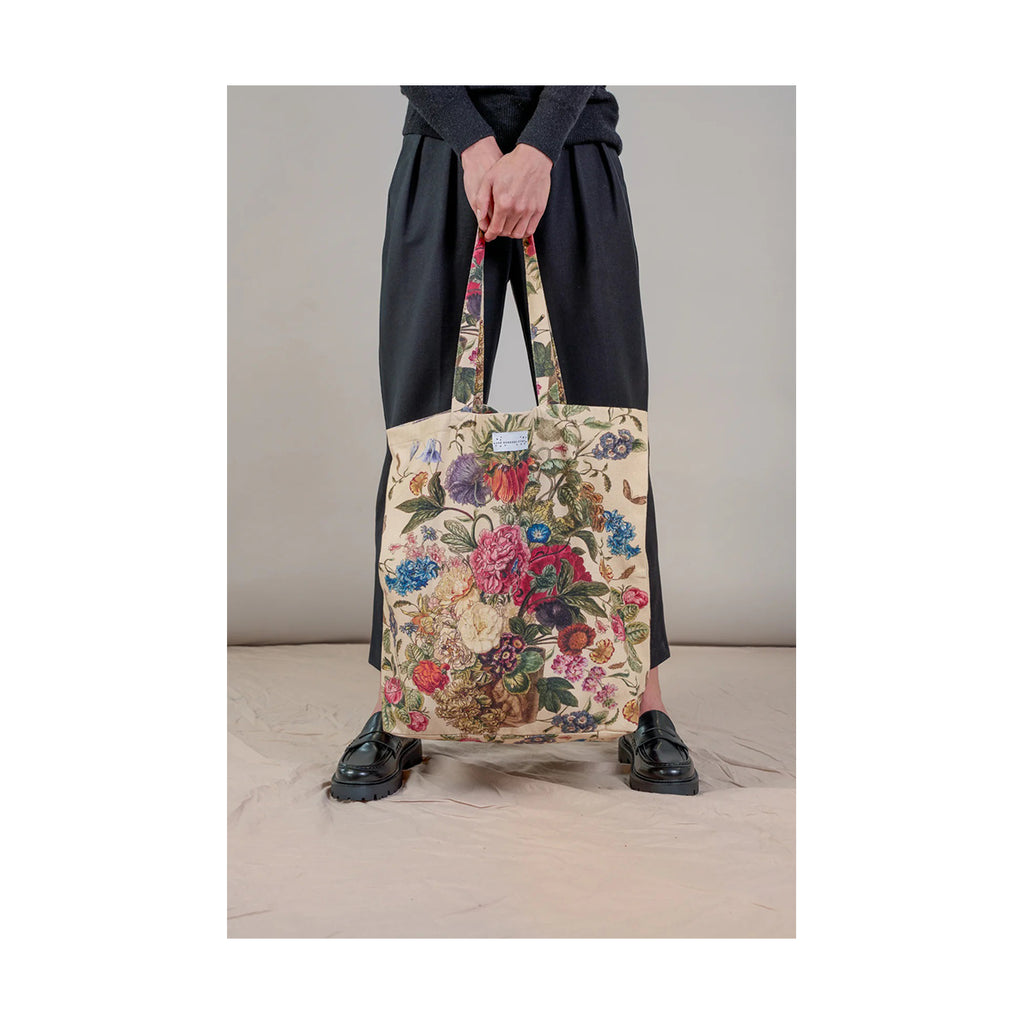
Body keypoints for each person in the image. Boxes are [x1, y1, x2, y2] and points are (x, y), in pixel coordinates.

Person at [329, 86, 699, 801]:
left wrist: (536, 147)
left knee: (608, 440)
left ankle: (643, 703)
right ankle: (402, 699)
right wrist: (475, 143)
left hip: (571, 151)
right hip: (443, 150)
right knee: (422, 437)